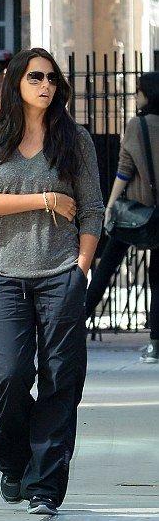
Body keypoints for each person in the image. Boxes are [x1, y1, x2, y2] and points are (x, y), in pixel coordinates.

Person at [0, 48, 104, 515]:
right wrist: (44, 199)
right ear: (16, 83)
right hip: (5, 274)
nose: (46, 85)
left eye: (51, 78)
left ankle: (45, 486)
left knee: (61, 380)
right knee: (9, 375)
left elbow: (91, 209)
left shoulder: (74, 139)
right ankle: (13, 456)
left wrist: (80, 268)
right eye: (35, 77)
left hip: (60, 274)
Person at [86, 72, 159, 363]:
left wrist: (110, 205)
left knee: (106, 268)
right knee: (158, 278)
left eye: (139, 91)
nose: (136, 96)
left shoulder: (137, 126)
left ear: (148, 94)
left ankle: (73, 328)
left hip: (136, 212)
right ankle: (155, 344)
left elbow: (124, 169)